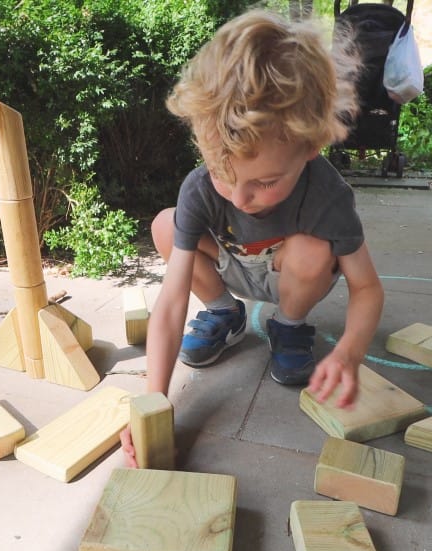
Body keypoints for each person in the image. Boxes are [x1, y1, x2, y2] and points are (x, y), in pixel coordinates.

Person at [119, 10, 384, 467]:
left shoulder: (328, 196)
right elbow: (170, 302)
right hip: (232, 265)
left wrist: (350, 350)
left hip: (290, 275)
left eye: (265, 182)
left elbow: (368, 288)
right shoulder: (201, 187)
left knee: (313, 248)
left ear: (311, 145)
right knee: (168, 223)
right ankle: (225, 314)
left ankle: (290, 325)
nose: (242, 198)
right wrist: (152, 403)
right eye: (225, 175)